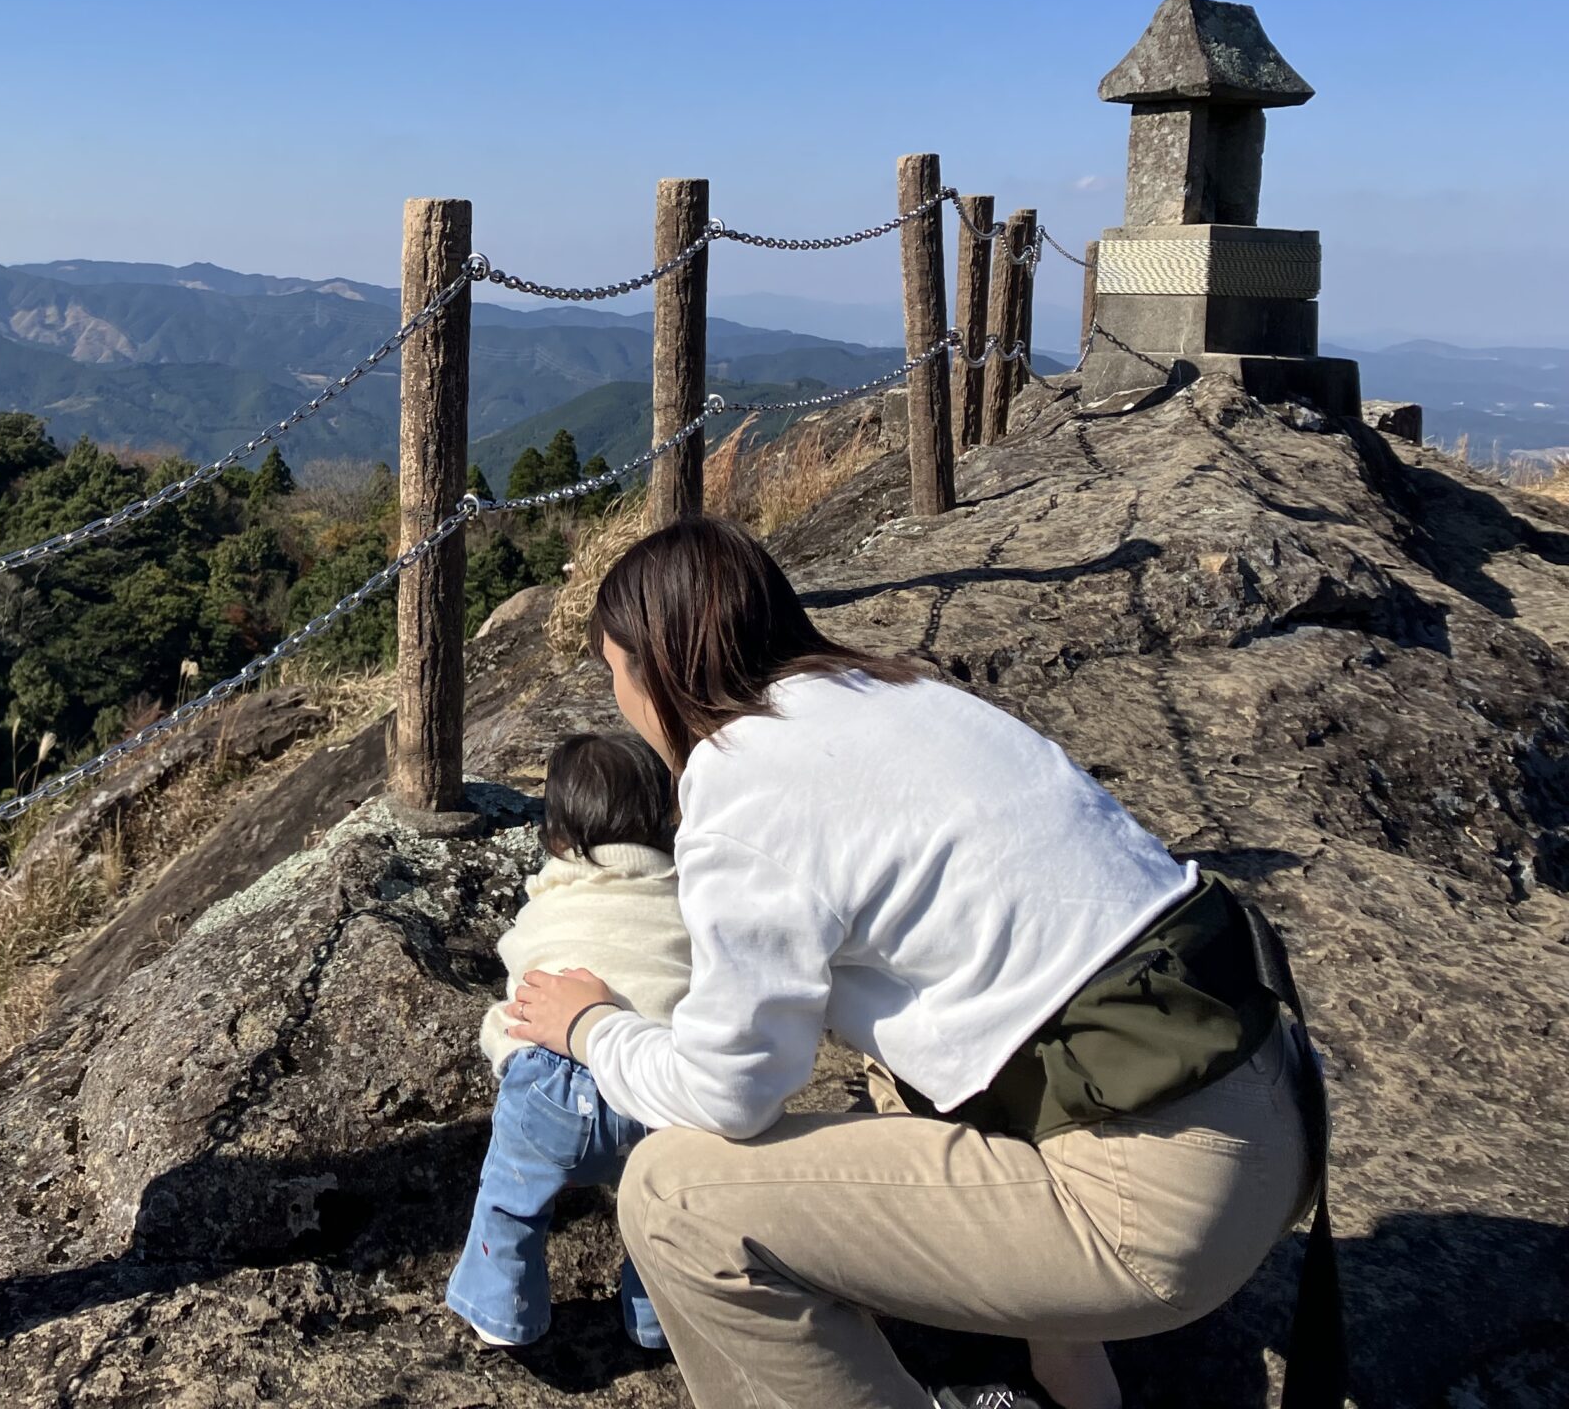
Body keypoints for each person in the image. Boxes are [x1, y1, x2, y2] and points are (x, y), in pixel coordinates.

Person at [504, 517, 1330, 1409]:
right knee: (908, 1055)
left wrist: (592, 1027)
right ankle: (1074, 1385)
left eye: (615, 670)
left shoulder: (739, 785)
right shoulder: (898, 693)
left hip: (1159, 1209)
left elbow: (727, 1093)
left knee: (673, 1200)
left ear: (658, 669)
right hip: (1275, 1114)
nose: (619, 697)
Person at [447, 732, 693, 1352]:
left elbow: (519, 967)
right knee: (660, 1212)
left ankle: (502, 1311)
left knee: (510, 1201)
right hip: (651, 1088)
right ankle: (657, 1320)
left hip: (548, 1086)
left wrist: (503, 1047)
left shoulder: (550, 899)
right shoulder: (684, 897)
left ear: (556, 833)